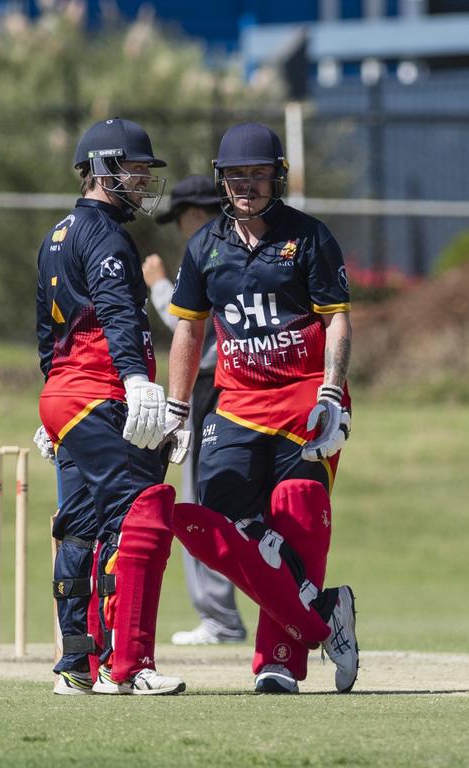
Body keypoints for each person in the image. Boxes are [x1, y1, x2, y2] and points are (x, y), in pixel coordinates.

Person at [165, 122, 359, 694]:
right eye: (234, 176)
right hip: (239, 406)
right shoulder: (204, 246)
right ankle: (326, 617)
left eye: (256, 174)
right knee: (220, 526)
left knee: (295, 513)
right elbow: (188, 333)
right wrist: (177, 409)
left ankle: (279, 660)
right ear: (221, 181)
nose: (245, 185)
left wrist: (332, 391)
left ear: (277, 176)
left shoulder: (309, 237)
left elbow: (337, 320)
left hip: (305, 400)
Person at [35, 117, 185, 695]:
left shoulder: (56, 235)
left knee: (78, 528)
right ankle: (128, 665)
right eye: (135, 170)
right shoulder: (104, 235)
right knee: (137, 515)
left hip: (66, 399)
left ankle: (77, 664)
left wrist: (50, 407)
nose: (145, 181)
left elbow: (49, 334)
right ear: (102, 171)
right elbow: (118, 312)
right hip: (99, 393)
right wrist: (136, 381)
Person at [143, 175, 247, 646]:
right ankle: (235, 615)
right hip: (230, 392)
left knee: (202, 503)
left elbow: (193, 332)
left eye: (184, 218)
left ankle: (221, 618)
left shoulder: (211, 251)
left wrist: (160, 287)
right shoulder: (241, 249)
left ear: (199, 214)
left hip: (214, 394)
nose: (183, 228)